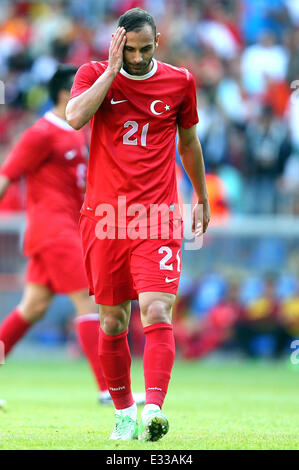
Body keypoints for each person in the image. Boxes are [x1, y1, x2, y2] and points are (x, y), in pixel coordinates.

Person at [66, 8, 210, 441]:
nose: (138, 57)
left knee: (157, 309)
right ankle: (124, 412)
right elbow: (74, 118)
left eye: (145, 48)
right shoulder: (94, 72)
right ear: (116, 44)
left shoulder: (180, 81)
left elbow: (188, 142)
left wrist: (200, 195)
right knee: (112, 322)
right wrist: (111, 72)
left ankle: (153, 409)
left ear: (158, 41)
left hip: (158, 214)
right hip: (106, 218)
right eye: (129, 50)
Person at [0, 65, 145, 406]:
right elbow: (6, 175)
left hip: (66, 228)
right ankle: (109, 390)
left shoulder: (74, 131)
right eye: (83, 89)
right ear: (68, 94)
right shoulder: (40, 133)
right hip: (53, 231)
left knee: (32, 307)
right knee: (89, 299)